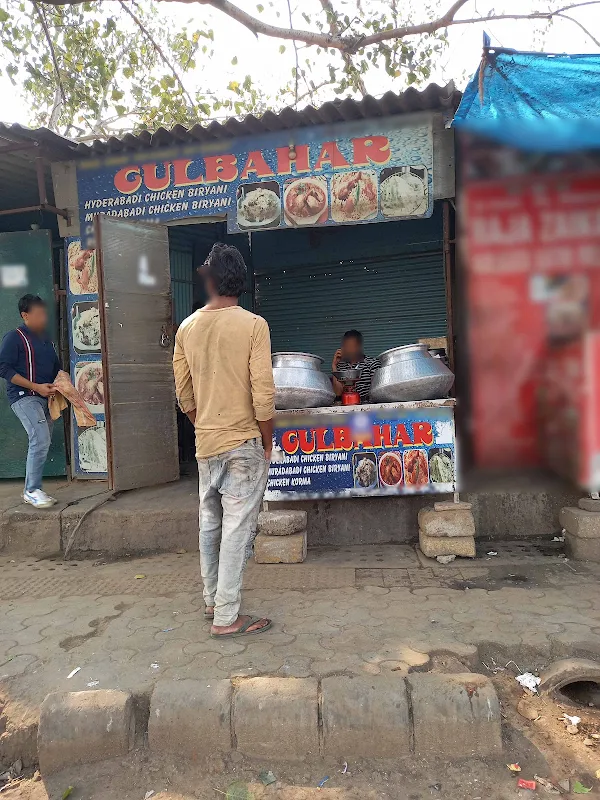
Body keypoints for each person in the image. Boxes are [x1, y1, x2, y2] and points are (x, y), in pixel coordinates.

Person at [173, 243, 275, 639]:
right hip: (244, 442)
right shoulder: (253, 326)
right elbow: (263, 396)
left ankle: (212, 600)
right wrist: (266, 442)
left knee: (210, 522)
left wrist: (205, 425)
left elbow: (184, 395)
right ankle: (226, 617)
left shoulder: (187, 328)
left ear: (210, 280)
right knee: (235, 528)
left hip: (207, 443)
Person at [0, 294, 60, 508]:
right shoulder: (14, 337)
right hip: (24, 397)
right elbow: (4, 369)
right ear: (25, 315)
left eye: (44, 313)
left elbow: (56, 368)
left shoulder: (46, 340)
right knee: (40, 438)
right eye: (38, 314)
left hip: (46, 399)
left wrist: (61, 383)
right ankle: (31, 490)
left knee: (43, 441)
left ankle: (35, 489)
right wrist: (36, 387)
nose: (43, 317)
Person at [331, 329, 380, 403]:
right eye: (345, 346)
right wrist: (334, 366)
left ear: (359, 347)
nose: (347, 350)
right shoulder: (341, 366)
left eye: (351, 346)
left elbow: (376, 392)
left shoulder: (372, 363)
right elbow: (338, 393)